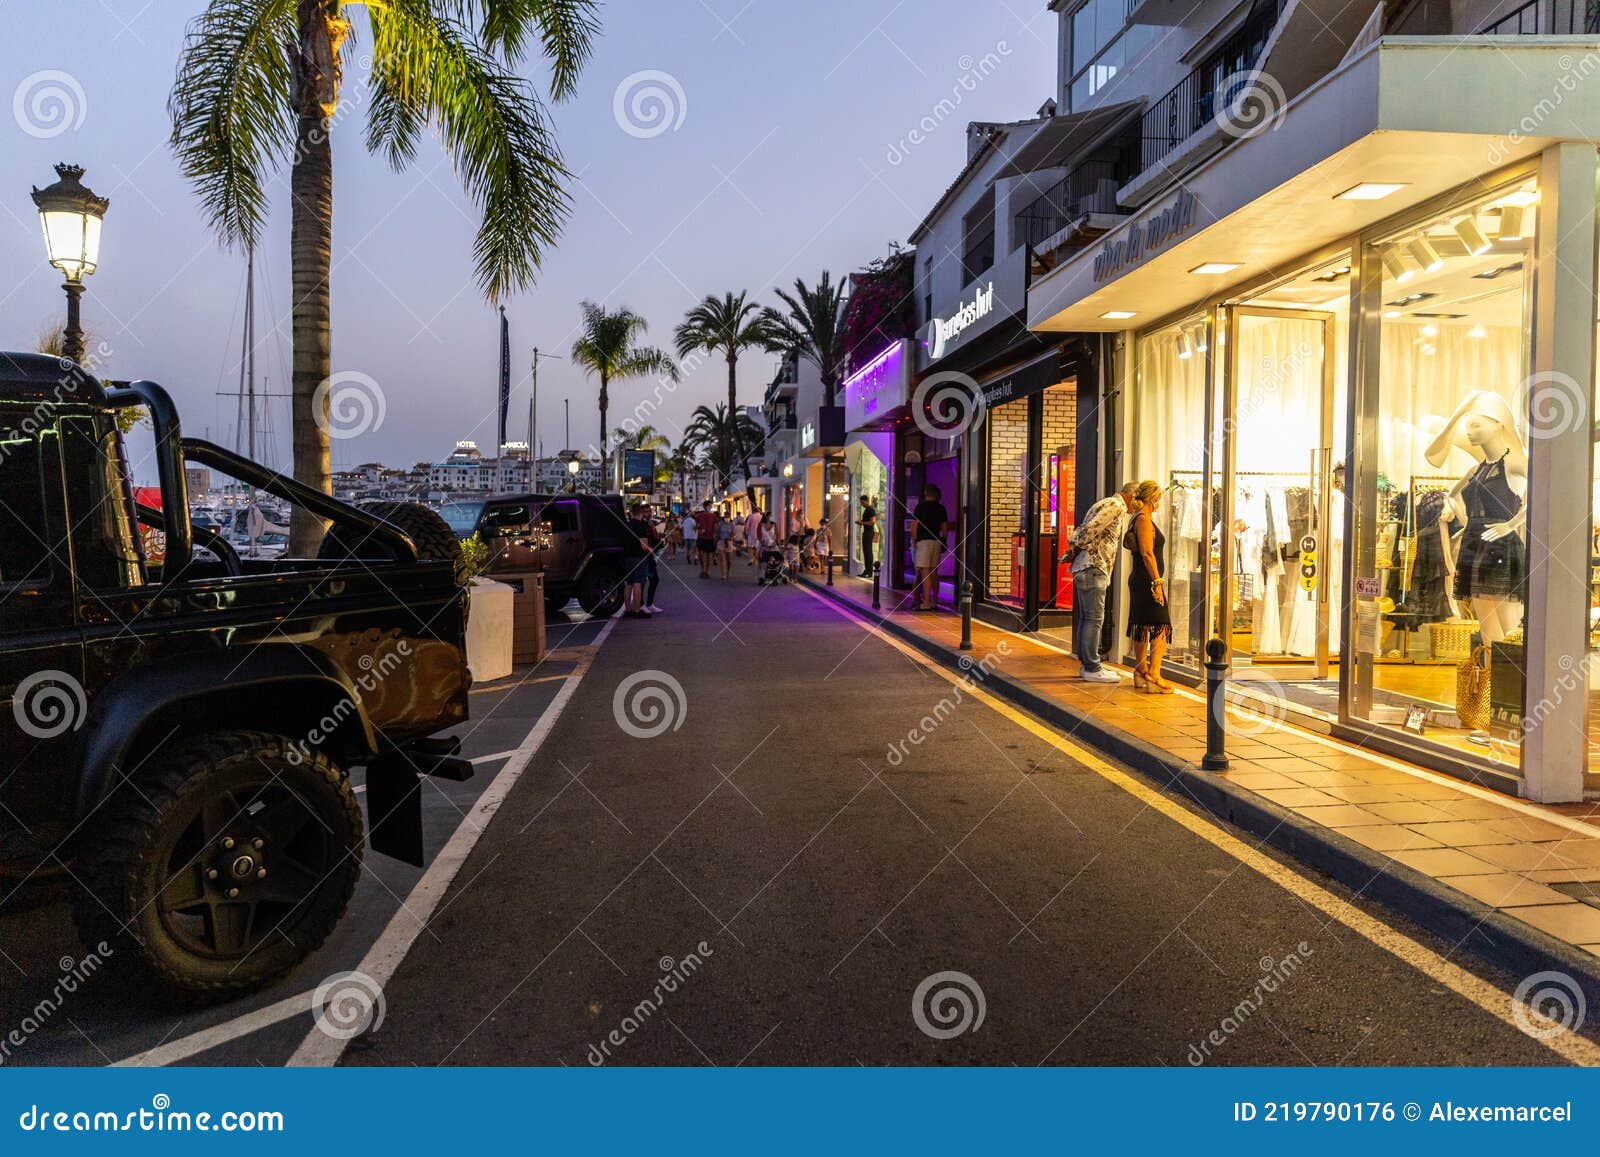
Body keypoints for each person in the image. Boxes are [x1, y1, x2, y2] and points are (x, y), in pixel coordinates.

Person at [1063, 482, 1138, 684]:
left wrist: (1074, 551)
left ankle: (1087, 664)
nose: (1136, 507)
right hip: (1094, 567)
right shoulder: (1116, 505)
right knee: (1094, 619)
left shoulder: (1105, 502)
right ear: (1131, 495)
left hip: (1086, 567)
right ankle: (1092, 667)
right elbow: (1089, 529)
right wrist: (1076, 546)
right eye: (1137, 501)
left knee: (1088, 618)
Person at [1123, 480, 1174, 692]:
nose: (1160, 502)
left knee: (1143, 625)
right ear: (1153, 498)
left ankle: (1140, 671)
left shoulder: (1140, 518)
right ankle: (1153, 672)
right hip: (1147, 580)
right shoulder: (1143, 519)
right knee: (1161, 625)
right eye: (1159, 498)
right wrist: (1157, 582)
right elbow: (1147, 553)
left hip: (1142, 579)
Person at [910, 484, 948, 611]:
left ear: (926, 493)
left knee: (924, 572)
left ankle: (925, 602)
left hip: (924, 542)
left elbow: (914, 526)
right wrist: (944, 541)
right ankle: (934, 601)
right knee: (934, 573)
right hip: (936, 541)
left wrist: (914, 541)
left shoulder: (920, 507)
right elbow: (944, 527)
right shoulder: (941, 508)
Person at [622, 501, 655, 618]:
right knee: (637, 583)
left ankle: (627, 610)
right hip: (639, 557)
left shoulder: (627, 524)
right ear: (641, 513)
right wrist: (651, 549)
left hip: (628, 557)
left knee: (628, 584)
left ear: (631, 512)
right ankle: (637, 611)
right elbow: (643, 545)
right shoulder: (641, 525)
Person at [692, 499, 718, 579]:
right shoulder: (699, 516)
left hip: (710, 538)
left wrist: (715, 535)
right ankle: (702, 569)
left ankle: (706, 571)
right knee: (701, 555)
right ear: (704, 506)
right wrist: (699, 528)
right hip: (701, 537)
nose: (710, 507)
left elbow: (715, 526)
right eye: (709, 506)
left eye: (711, 506)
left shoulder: (713, 516)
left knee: (708, 555)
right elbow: (696, 526)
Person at [857, 497, 878, 578]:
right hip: (866, 532)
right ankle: (867, 570)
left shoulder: (870, 509)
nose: (862, 504)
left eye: (862, 502)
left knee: (868, 552)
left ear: (866, 501)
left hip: (869, 533)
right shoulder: (867, 509)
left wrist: (861, 522)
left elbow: (872, 522)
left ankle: (869, 571)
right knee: (866, 552)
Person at [716, 510, 736, 579]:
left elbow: (734, 533)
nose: (726, 518)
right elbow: (717, 532)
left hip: (729, 542)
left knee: (729, 560)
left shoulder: (732, 524)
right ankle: (723, 574)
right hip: (721, 542)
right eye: (725, 516)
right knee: (722, 559)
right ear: (724, 517)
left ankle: (728, 571)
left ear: (730, 517)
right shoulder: (720, 524)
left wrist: (731, 536)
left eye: (728, 517)